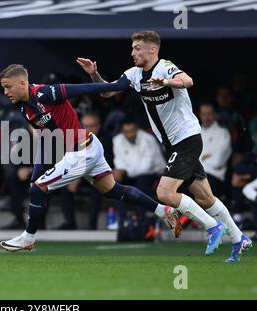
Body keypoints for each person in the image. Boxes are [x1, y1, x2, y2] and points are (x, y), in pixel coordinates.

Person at [77, 30, 252, 262]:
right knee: (205, 198)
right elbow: (107, 91)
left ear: (152, 49)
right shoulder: (134, 74)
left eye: (137, 48)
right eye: (132, 48)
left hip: (186, 138)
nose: (132, 53)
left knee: (165, 192)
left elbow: (188, 81)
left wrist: (166, 82)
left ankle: (212, 226)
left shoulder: (165, 67)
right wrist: (94, 74)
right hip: (172, 144)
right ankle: (239, 238)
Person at [0, 64, 181, 252]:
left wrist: (121, 84)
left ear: (22, 83)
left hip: (82, 151)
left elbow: (86, 89)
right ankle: (163, 211)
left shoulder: (45, 93)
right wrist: (36, 173)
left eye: (8, 86)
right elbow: (46, 137)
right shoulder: (22, 107)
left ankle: (28, 238)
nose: (5, 92)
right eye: (3, 87)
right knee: (111, 190)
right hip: (87, 148)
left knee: (38, 190)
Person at [53, 112, 113, 230]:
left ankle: (92, 223)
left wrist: (78, 176)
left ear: (99, 126)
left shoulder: (105, 138)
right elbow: (68, 159)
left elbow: (105, 161)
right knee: (64, 184)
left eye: (92, 125)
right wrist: (74, 177)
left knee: (97, 186)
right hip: (78, 174)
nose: (89, 129)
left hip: (98, 173)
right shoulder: (73, 137)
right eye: (85, 126)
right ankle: (69, 222)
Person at [112, 116, 165, 237]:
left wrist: (125, 172)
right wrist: (122, 173)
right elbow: (119, 163)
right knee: (116, 185)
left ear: (137, 129)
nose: (130, 134)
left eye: (132, 131)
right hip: (130, 175)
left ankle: (142, 222)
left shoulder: (148, 140)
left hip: (154, 175)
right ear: (122, 131)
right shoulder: (117, 140)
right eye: (126, 132)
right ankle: (123, 222)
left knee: (141, 182)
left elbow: (146, 167)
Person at [198, 103, 232, 199]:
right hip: (195, 176)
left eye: (209, 114)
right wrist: (205, 157)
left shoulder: (223, 133)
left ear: (215, 115)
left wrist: (200, 159)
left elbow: (218, 161)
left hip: (214, 177)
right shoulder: (195, 133)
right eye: (204, 114)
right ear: (200, 115)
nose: (207, 117)